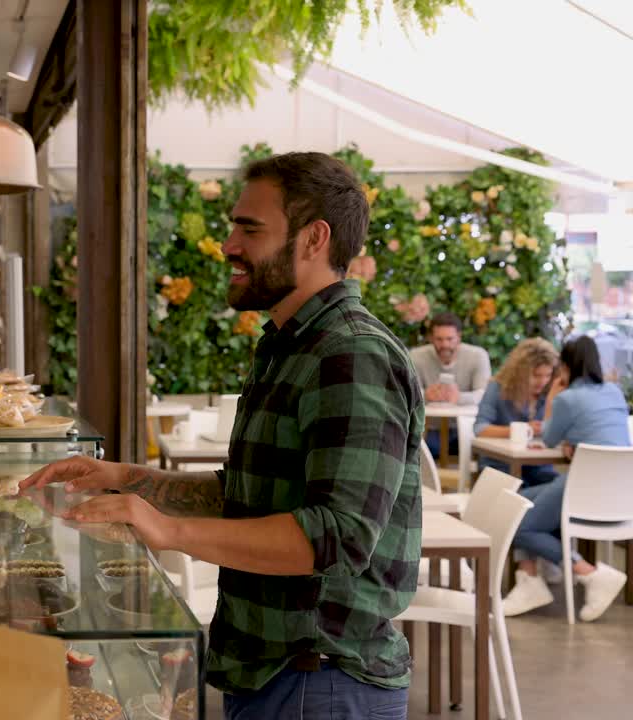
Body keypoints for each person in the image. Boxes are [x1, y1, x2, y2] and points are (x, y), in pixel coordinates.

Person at [21, 152, 422, 720]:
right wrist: (130, 481)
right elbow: (254, 493)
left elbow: (339, 535)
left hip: (320, 683)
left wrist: (169, 530)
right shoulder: (291, 344)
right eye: (233, 225)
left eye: (249, 228)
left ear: (314, 239)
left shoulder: (351, 354)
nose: (229, 245)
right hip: (277, 676)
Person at [501, 336, 630, 619]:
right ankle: (529, 579)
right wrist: (574, 442)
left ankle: (588, 572)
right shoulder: (614, 391)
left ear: (565, 367)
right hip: (621, 496)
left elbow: (548, 439)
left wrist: (550, 399)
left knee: (517, 523)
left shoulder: (567, 399)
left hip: (584, 488)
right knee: (517, 503)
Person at [473, 338, 559, 487]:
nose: (543, 381)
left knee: (563, 488)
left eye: (548, 375)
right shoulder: (498, 388)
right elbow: (480, 429)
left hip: (538, 466)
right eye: (536, 375)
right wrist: (523, 429)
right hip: (501, 466)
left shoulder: (550, 393)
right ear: (520, 372)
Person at [411, 313, 491, 459]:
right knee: (419, 451)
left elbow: (485, 395)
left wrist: (459, 397)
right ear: (430, 338)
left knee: (479, 450)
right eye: (439, 339)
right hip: (430, 430)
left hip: (467, 428)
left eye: (450, 339)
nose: (445, 345)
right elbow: (407, 393)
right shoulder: (416, 357)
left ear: (459, 337)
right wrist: (425, 395)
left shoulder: (478, 356)